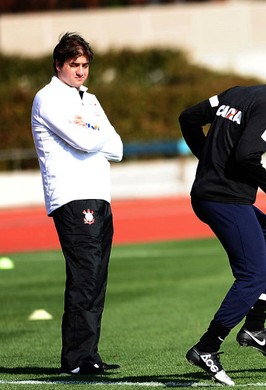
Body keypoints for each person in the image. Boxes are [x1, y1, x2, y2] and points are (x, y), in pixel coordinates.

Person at [178, 52, 266, 386]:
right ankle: (207, 347)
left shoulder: (236, 93)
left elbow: (188, 117)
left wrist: (209, 159)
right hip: (224, 199)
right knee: (253, 276)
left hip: (211, 194)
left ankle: (254, 326)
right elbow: (246, 155)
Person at [31, 32, 123, 375]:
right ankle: (75, 359)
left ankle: (89, 353)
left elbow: (117, 147)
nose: (81, 71)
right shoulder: (49, 98)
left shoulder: (89, 99)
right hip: (72, 196)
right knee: (85, 276)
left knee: (97, 278)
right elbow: (87, 141)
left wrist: (92, 130)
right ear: (59, 65)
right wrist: (94, 132)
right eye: (74, 65)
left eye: (85, 65)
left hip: (99, 194)